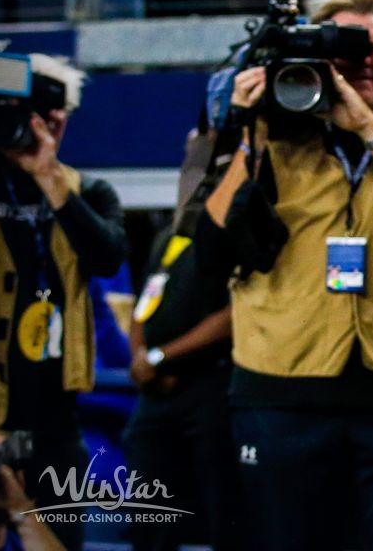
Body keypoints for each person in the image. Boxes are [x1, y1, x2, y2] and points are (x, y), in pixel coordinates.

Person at [196, 0, 373, 551]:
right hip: (281, 395)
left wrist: (370, 130)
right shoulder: (268, 148)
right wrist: (246, 133)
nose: (359, 61)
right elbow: (208, 256)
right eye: (341, 48)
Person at [0, 54, 127, 551]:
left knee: (57, 539)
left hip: (54, 412)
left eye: (53, 116)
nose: (41, 128)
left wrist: (50, 178)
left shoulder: (87, 190)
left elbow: (106, 254)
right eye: (29, 114)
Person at [123, 128, 239, 551]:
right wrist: (141, 357)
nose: (191, 170)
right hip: (155, 395)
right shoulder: (168, 236)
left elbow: (232, 316)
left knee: (222, 515)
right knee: (148, 517)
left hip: (209, 389)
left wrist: (158, 356)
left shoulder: (228, 232)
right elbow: (144, 302)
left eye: (201, 158)